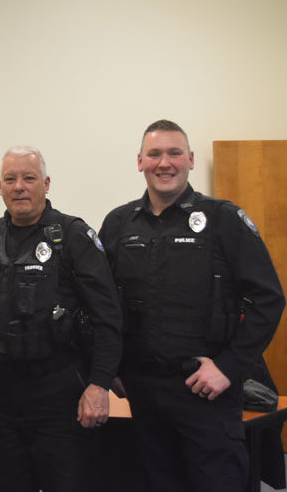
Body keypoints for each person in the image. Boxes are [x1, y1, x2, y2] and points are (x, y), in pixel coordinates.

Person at [99, 119, 285, 492]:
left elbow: (269, 298)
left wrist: (229, 368)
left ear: (191, 160)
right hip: (143, 390)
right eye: (154, 154)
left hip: (205, 390)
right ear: (140, 161)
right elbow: (104, 304)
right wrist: (110, 366)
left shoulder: (224, 219)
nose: (164, 163)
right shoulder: (118, 224)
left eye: (174, 153)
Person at [0, 145, 123, 492]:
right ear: (0, 186)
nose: (19, 186)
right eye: (11, 179)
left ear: (46, 183)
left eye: (29, 178)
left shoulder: (73, 236)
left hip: (61, 392)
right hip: (4, 394)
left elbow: (109, 316)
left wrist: (99, 384)